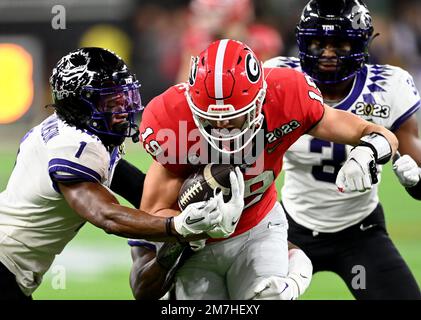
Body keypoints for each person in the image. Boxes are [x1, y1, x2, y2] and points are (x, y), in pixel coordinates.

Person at [138, 38, 398, 300]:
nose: (222, 125)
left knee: (266, 298)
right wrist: (189, 225)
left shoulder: (286, 95)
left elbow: (373, 133)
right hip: (196, 244)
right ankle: (298, 271)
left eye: (233, 115)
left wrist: (369, 150)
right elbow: (152, 212)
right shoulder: (171, 118)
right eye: (211, 116)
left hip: (259, 225)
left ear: (260, 98)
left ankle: (294, 277)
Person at [0, 47, 228, 300]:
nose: (123, 109)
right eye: (110, 101)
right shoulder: (74, 146)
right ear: (80, 104)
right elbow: (107, 216)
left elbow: (135, 186)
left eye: (124, 97)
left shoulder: (68, 128)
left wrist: (187, 196)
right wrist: (177, 225)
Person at [264, 0, 421, 299]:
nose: (327, 53)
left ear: (362, 43)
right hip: (289, 229)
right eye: (318, 42)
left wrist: (416, 180)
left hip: (359, 232)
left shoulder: (388, 87)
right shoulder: (279, 81)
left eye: (340, 44)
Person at [176, 0, 283, 83]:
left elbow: (270, 83)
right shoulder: (197, 40)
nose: (203, 18)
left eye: (211, 13)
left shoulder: (263, 39)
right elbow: (184, 86)